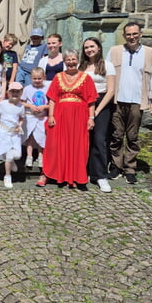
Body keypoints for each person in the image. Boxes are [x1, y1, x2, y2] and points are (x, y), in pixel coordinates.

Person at [106, 22, 152, 184]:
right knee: (116, 135)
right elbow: (107, 73)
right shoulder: (115, 51)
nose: (132, 37)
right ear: (124, 36)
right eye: (128, 34)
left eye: (135, 34)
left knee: (132, 136)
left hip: (137, 101)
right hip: (117, 100)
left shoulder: (150, 54)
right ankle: (116, 166)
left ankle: (130, 168)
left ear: (140, 34)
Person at [37, 50, 97, 188]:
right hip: (60, 116)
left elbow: (91, 101)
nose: (71, 62)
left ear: (78, 60)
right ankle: (50, 174)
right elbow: (52, 98)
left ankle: (74, 176)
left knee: (77, 146)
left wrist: (91, 118)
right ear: (64, 61)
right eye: (68, 59)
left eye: (73, 59)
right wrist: (51, 116)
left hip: (79, 117)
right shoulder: (58, 77)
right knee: (55, 145)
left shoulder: (86, 78)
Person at [80, 37, 116, 193]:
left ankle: (100, 175)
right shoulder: (82, 66)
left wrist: (96, 110)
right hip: (82, 103)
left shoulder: (107, 65)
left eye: (92, 46)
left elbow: (111, 90)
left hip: (101, 103)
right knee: (83, 139)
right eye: (86, 47)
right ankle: (84, 171)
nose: (89, 49)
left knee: (99, 138)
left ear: (99, 48)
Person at [0, 82, 25, 189]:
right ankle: (7, 175)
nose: (15, 94)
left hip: (14, 134)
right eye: (13, 91)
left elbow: (21, 118)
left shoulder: (21, 106)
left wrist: (19, 126)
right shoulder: (3, 104)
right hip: (4, 132)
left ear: (20, 93)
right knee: (8, 154)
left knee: (17, 155)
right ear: (8, 92)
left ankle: (11, 162)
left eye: (17, 92)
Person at [21, 67, 49, 169]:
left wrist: (44, 107)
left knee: (41, 137)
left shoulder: (46, 89)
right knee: (31, 137)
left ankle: (40, 156)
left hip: (42, 117)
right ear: (31, 78)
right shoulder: (27, 89)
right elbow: (21, 101)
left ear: (44, 78)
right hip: (31, 116)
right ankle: (29, 156)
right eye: (35, 79)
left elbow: (51, 103)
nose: (37, 81)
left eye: (39, 79)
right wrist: (30, 106)